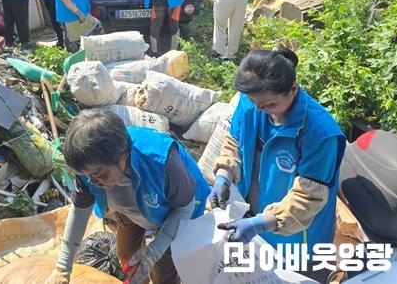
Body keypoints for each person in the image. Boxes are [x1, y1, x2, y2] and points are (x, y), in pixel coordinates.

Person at [211, 48, 345, 281]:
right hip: (250, 218)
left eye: (269, 104)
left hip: (298, 237)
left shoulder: (320, 133)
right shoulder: (252, 102)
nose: (260, 110)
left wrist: (261, 223)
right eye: (255, 102)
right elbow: (234, 140)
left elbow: (308, 198)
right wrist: (224, 174)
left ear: (293, 89)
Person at [45, 109, 210, 284]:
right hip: (131, 209)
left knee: (164, 273)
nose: (92, 182)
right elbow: (79, 212)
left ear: (122, 157)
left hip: (176, 212)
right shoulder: (88, 167)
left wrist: (154, 251)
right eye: (87, 176)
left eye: (99, 175)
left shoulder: (161, 161)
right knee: (127, 258)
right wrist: (63, 267)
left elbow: (184, 208)